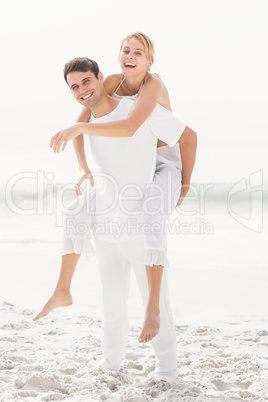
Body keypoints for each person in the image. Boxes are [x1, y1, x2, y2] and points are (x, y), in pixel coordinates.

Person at [34, 33, 197, 346]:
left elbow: (132, 127)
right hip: (136, 165)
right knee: (78, 207)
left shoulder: (153, 85)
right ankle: (62, 289)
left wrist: (185, 182)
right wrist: (84, 168)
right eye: (126, 50)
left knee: (151, 218)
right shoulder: (111, 84)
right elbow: (82, 123)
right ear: (118, 56)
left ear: (149, 61)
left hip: (164, 163)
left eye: (139, 52)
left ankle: (152, 306)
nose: (131, 55)